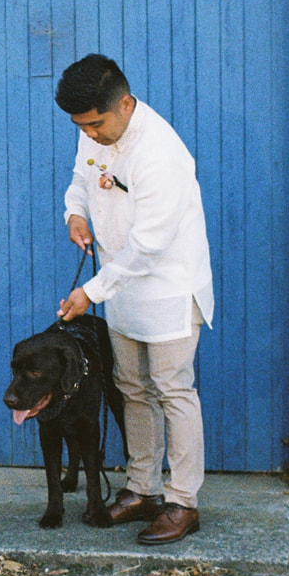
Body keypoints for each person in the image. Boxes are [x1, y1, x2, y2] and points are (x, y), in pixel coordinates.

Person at [55, 54, 214, 546]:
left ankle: (182, 501)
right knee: (131, 387)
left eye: (97, 124)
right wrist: (75, 214)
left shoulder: (160, 152)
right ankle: (142, 487)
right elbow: (83, 178)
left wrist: (90, 292)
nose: (91, 134)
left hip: (166, 286)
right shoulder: (95, 131)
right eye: (82, 127)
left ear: (124, 103)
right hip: (121, 287)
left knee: (172, 389)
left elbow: (150, 245)